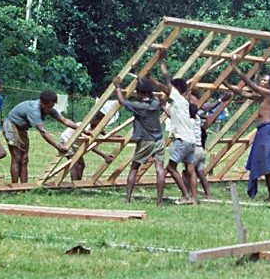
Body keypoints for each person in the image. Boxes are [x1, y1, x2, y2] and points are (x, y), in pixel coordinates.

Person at [228, 54, 270, 202]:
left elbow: (250, 84)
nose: (261, 82)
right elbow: (244, 93)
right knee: (265, 163)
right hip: (264, 130)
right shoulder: (264, 97)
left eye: (264, 80)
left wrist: (235, 68)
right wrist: (226, 85)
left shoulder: (269, 94)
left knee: (269, 164)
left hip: (268, 131)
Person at [3, 90, 80, 183]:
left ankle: (24, 186)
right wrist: (57, 146)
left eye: (52, 106)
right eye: (49, 106)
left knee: (24, 159)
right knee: (16, 157)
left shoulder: (48, 108)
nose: (50, 109)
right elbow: (43, 132)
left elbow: (64, 120)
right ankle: (15, 186)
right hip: (11, 125)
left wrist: (81, 128)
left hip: (22, 129)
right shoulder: (34, 110)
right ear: (42, 102)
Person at [113, 76, 167, 205]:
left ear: (139, 92)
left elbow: (122, 101)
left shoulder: (138, 106)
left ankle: (128, 198)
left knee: (134, 168)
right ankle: (159, 201)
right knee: (159, 169)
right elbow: (151, 94)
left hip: (145, 141)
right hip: (159, 139)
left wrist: (118, 87)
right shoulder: (155, 103)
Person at [158, 49, 197, 204]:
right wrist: (163, 107)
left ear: (176, 89)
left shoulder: (178, 98)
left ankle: (186, 195)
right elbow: (174, 117)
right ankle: (193, 198)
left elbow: (166, 80)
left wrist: (161, 62)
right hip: (191, 141)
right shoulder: (182, 104)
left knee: (172, 168)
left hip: (181, 140)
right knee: (190, 169)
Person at [59, 112, 114, 181]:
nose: (102, 124)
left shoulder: (94, 127)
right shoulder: (85, 127)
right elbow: (89, 145)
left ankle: (78, 183)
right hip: (67, 141)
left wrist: (110, 135)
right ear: (94, 120)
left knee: (81, 165)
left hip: (76, 143)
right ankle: (74, 185)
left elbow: (102, 131)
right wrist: (104, 155)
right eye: (101, 121)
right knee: (74, 164)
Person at [189, 103, 212, 199]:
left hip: (193, 150)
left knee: (188, 173)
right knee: (201, 173)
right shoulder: (197, 120)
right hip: (201, 150)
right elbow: (205, 118)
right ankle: (208, 194)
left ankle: (189, 194)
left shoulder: (189, 121)